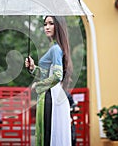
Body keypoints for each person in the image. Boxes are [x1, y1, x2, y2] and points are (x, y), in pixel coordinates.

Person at [25, 16, 73, 146]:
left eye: (51, 23)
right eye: (45, 23)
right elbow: (46, 74)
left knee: (48, 135)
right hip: (54, 95)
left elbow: (57, 75)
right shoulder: (55, 48)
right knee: (49, 135)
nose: (47, 26)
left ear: (58, 27)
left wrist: (39, 85)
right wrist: (33, 68)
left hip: (51, 96)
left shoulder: (55, 49)